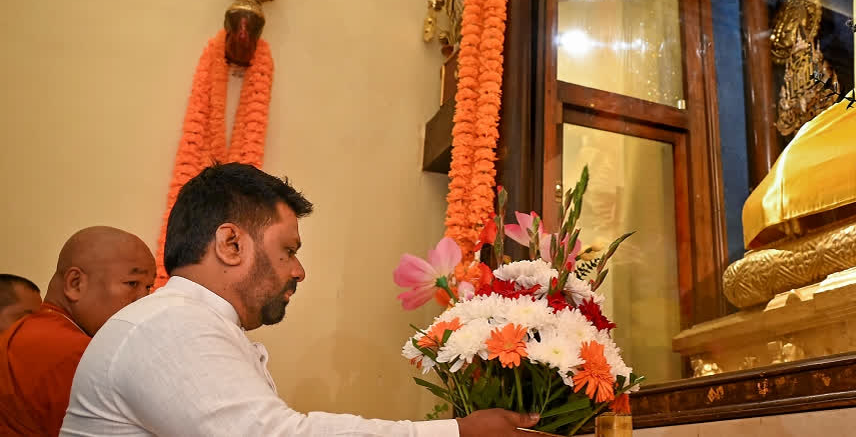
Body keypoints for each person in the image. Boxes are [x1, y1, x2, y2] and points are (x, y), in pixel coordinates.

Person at [63, 163, 540, 436]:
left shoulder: (189, 320)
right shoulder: (168, 325)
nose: (299, 271)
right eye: (288, 251)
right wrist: (456, 433)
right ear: (230, 245)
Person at [0, 228, 155, 435]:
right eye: (132, 283)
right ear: (75, 283)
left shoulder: (30, 331)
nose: (144, 300)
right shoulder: (73, 351)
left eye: (148, 287)